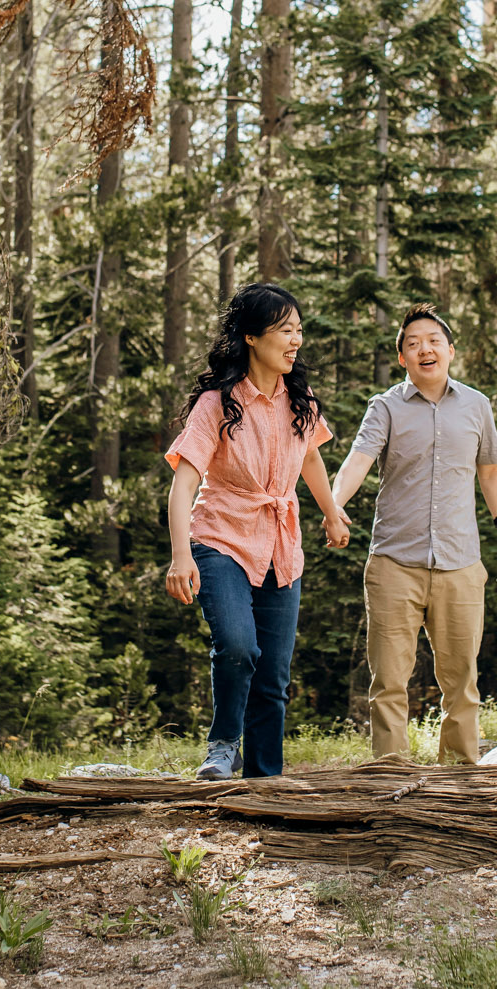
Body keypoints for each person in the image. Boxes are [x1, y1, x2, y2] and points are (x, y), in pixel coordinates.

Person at [165, 283, 350, 780]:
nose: (295, 340)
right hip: (221, 538)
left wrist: (331, 512)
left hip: (280, 544)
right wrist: (181, 555)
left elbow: (310, 454)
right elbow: (183, 484)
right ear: (251, 336)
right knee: (238, 646)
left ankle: (265, 780)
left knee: (272, 675)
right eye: (284, 330)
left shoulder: (299, 399)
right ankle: (224, 745)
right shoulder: (217, 403)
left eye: (299, 330)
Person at [330, 303, 497, 765]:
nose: (424, 349)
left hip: (461, 563)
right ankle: (391, 782)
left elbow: (490, 473)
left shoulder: (477, 405)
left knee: (462, 683)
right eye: (412, 343)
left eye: (433, 340)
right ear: (402, 358)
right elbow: (358, 460)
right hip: (395, 563)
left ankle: (459, 780)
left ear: (450, 350)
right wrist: (333, 505)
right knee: (389, 682)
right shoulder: (386, 407)